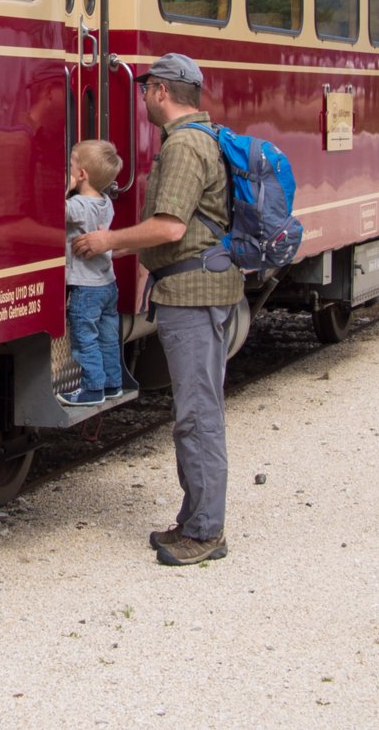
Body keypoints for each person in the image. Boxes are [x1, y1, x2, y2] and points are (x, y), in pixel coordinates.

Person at [69, 52, 238, 567]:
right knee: (195, 412)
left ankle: (205, 532)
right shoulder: (197, 139)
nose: (140, 96)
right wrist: (113, 248)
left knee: (197, 416)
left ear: (162, 91)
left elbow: (170, 228)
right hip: (197, 291)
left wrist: (108, 238)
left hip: (194, 296)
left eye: (145, 89)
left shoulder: (186, 146)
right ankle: (194, 520)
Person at [59, 139, 124, 407]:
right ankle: (113, 383)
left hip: (86, 288)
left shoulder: (78, 206)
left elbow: (56, 210)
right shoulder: (106, 203)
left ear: (81, 174)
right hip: (108, 284)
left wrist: (65, 187)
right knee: (108, 337)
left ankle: (92, 387)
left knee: (85, 339)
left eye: (71, 165)